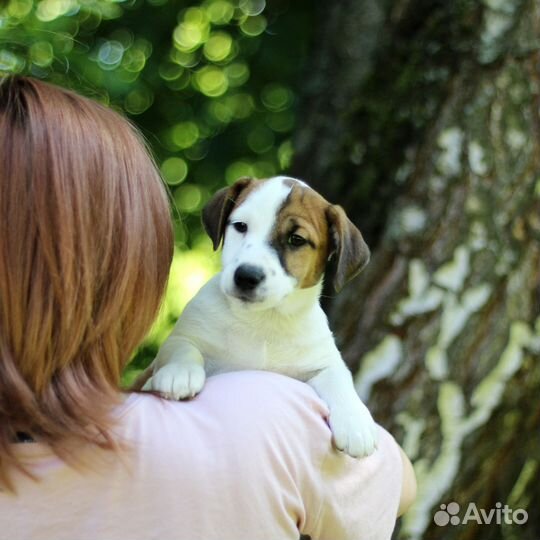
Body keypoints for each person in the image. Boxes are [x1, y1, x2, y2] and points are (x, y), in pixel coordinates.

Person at [0, 76, 416, 540]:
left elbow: (329, 372)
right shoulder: (276, 423)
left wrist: (346, 404)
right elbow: (400, 482)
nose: (250, 262)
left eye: (294, 241)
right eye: (239, 229)